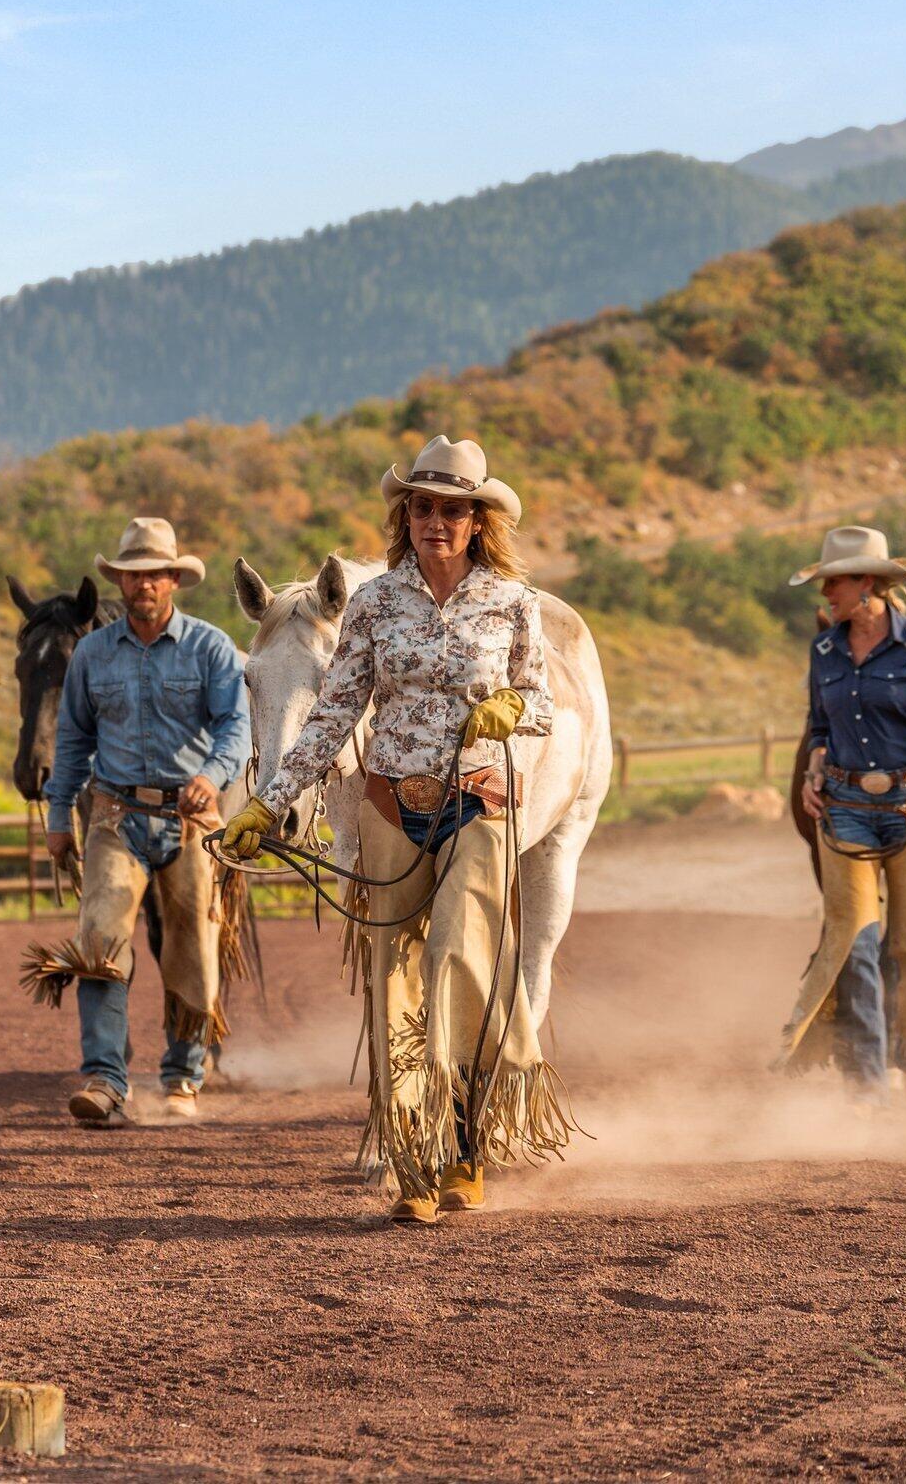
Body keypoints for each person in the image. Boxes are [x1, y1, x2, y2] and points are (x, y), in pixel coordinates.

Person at [223, 436, 561, 1224]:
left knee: (458, 960)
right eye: (421, 506)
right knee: (392, 981)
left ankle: (468, 1146)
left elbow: (539, 699)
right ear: (404, 515)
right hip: (390, 803)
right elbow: (335, 710)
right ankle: (415, 1159)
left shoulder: (513, 602)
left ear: (478, 521)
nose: (434, 521)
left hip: (478, 801)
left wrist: (512, 708)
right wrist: (270, 801)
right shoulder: (373, 605)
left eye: (451, 508)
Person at [23, 517, 251, 1126]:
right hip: (114, 814)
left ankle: (183, 1077)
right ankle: (104, 1080)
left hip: (191, 816)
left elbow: (236, 724)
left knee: (193, 945)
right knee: (98, 941)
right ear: (119, 582)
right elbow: (72, 739)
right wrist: (57, 817)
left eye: (154, 573)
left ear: (174, 578)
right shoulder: (93, 656)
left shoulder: (211, 648)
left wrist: (213, 773)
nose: (143, 584)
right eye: (132, 575)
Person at [776, 525, 906, 1100]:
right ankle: (866, 1086)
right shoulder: (824, 649)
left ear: (867, 583)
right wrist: (814, 775)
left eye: (833, 582)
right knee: (854, 944)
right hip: (845, 808)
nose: (825, 594)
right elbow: (820, 724)